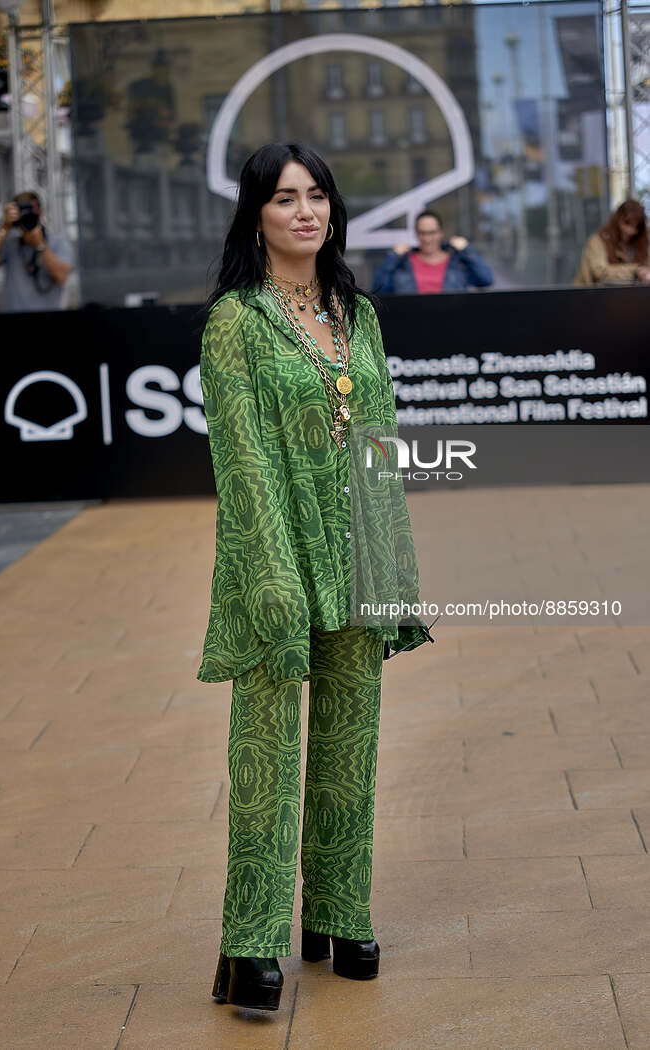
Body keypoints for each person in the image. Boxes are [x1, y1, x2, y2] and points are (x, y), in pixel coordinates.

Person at [197, 142, 434, 1013]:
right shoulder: (237, 322)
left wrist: (391, 569)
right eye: (284, 197)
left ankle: (340, 909)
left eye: (318, 195)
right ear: (254, 214)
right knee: (264, 755)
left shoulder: (357, 315)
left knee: (349, 748)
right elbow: (242, 460)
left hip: (356, 556)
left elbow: (381, 446)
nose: (305, 210)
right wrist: (272, 576)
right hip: (275, 561)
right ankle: (249, 941)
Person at [0, 191, 72, 312]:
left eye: (31, 210)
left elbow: (62, 276)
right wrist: (5, 226)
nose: (27, 215)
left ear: (40, 212)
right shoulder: (11, 244)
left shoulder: (58, 243)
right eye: (22, 212)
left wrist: (40, 245)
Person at [371, 209, 493, 294]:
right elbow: (378, 289)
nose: (427, 239)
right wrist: (393, 256)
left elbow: (486, 279)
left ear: (441, 232)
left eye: (432, 232)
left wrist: (466, 250)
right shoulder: (403, 263)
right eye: (422, 233)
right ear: (416, 235)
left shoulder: (457, 262)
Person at [574, 199, 650, 286]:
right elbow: (599, 272)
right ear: (618, 220)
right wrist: (635, 271)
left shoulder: (640, 242)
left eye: (636, 227)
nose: (630, 230)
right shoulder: (598, 240)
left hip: (627, 295)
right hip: (593, 295)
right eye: (627, 223)